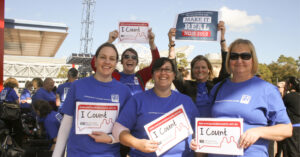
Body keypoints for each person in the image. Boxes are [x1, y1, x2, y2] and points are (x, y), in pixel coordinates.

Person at [191, 39, 293, 157]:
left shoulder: (267, 90)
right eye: (234, 56)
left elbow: (286, 129)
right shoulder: (218, 88)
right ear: (229, 60)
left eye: (245, 56)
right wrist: (200, 142)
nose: (239, 60)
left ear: (253, 60)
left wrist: (258, 132)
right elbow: (207, 125)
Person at [52, 42, 132, 157]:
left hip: (109, 154)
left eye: (112, 58)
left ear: (115, 63)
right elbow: (66, 125)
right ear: (95, 60)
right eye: (103, 57)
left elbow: (127, 130)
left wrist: (110, 139)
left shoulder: (124, 91)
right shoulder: (77, 86)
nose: (107, 62)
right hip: (77, 154)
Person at [111, 57, 199, 157]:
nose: (163, 73)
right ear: (152, 75)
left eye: (167, 69)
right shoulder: (138, 100)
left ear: (174, 75)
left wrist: (197, 144)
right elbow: (118, 130)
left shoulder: (186, 101)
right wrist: (137, 143)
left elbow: (197, 133)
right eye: (158, 69)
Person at [168, 21, 229, 117]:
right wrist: (171, 43)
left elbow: (226, 68)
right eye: (196, 67)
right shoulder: (186, 86)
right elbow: (173, 70)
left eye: (203, 67)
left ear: (209, 69)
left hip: (214, 129)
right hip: (192, 128)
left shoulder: (216, 85)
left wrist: (222, 38)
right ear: (192, 70)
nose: (200, 70)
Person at [91, 28, 160, 95]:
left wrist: (151, 43)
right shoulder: (113, 75)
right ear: (121, 61)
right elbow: (95, 64)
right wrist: (109, 41)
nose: (130, 59)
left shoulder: (141, 76)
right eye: (126, 57)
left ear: (136, 62)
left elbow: (157, 64)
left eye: (134, 57)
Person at [281, 76, 300, 157]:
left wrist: (284, 92)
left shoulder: (289, 97)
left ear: (290, 85)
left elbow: (280, 107)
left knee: (291, 152)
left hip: (292, 128)